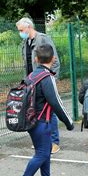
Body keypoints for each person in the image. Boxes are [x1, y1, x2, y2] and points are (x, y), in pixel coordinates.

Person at [14, 44, 74, 176]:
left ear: (36, 59)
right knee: (42, 153)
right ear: (53, 59)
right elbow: (56, 102)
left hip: (31, 119)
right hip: (42, 122)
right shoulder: (47, 78)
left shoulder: (32, 75)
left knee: (45, 150)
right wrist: (68, 122)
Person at [16, 17, 62, 154]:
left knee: (50, 112)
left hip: (44, 80)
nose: (20, 33)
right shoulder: (25, 43)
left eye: (21, 30)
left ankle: (54, 142)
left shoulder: (43, 39)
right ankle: (40, 140)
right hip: (32, 82)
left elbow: (55, 61)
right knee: (34, 111)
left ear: (29, 27)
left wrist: (52, 79)